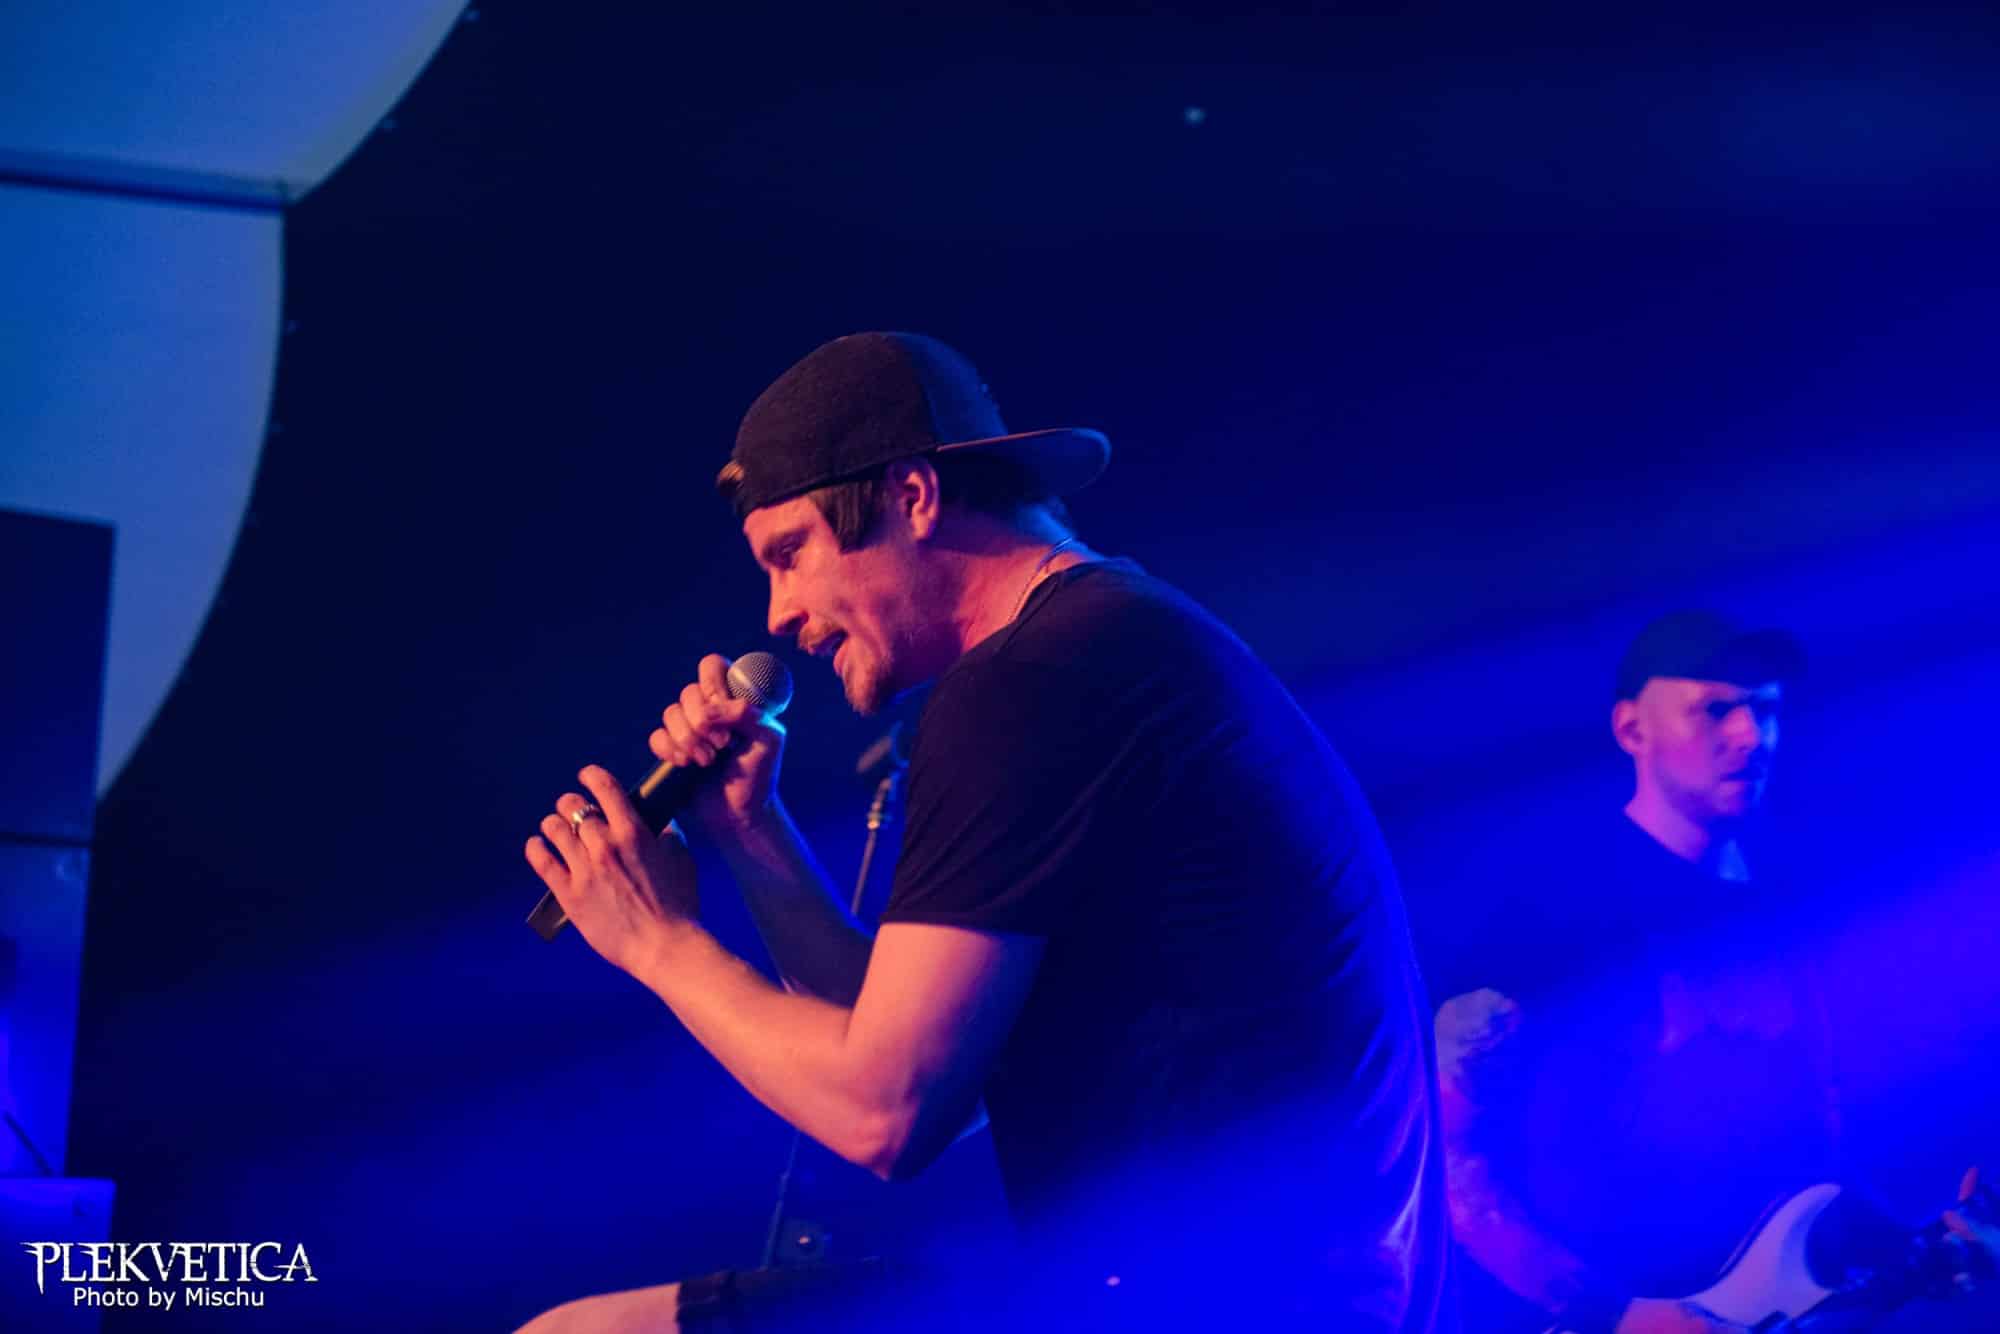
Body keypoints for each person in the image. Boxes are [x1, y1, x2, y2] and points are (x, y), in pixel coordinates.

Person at [517, 332, 1451, 1331]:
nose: (778, 613)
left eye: (789, 554)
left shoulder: (1028, 682)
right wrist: (751, 834)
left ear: (913, 496)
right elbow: (927, 1070)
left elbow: (884, 1112)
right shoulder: (1109, 638)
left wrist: (656, 940)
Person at [1435, 612, 1994, 1333]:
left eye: (1766, 710)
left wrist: (1917, 1250)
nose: (1750, 736)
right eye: (1715, 709)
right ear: (1631, 729)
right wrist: (1614, 1314)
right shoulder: (1555, 909)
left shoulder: (1788, 906)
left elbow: (1809, 1152)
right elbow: (1445, 1153)